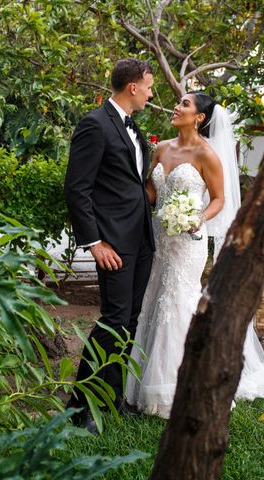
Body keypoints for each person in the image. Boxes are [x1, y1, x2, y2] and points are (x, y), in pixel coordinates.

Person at [125, 91, 264, 419]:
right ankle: (141, 381)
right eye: (179, 102)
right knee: (153, 299)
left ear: (199, 117)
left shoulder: (207, 155)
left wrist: (196, 217)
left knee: (177, 304)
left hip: (189, 242)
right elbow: (152, 193)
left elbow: (217, 199)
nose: (177, 106)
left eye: (185, 104)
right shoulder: (161, 148)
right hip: (159, 238)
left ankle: (180, 388)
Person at [64, 59, 156, 433]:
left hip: (141, 241)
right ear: (133, 86)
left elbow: (131, 185)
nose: (152, 93)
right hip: (113, 244)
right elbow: (76, 188)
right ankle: (79, 408)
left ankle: (111, 398)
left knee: (129, 322)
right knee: (113, 321)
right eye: (149, 86)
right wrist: (94, 242)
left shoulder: (131, 127)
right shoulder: (95, 124)